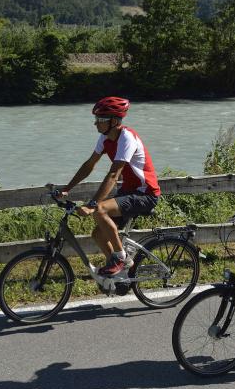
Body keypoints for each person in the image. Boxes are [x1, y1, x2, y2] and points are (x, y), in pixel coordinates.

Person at [56, 97, 161, 276]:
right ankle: (118, 273)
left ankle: (121, 258)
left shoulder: (127, 138)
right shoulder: (105, 138)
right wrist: (67, 188)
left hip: (146, 194)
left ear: (113, 121)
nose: (96, 123)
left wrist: (92, 204)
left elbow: (114, 174)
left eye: (100, 120)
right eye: (96, 119)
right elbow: (89, 165)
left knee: (100, 209)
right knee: (97, 234)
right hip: (129, 191)